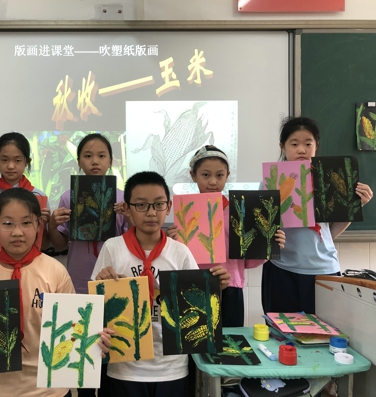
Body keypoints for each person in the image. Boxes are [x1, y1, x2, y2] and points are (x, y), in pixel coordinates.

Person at [0, 188, 112, 397]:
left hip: (49, 391)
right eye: (7, 223)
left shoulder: (56, 272)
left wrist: (91, 338)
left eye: (26, 223)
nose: (17, 232)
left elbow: (72, 330)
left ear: (39, 225)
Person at [92, 171, 230, 397]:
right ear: (127, 209)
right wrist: (101, 286)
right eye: (141, 205)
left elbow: (198, 309)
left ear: (169, 207)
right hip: (124, 366)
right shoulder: (113, 248)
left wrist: (214, 289)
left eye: (158, 204)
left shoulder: (180, 252)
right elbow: (94, 308)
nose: (151, 212)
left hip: (171, 367)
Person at [262, 117, 373, 314]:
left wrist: (355, 206)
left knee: (324, 329)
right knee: (282, 329)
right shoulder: (270, 182)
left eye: (308, 144)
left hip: (323, 269)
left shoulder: (329, 178)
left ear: (316, 146)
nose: (301, 150)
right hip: (282, 269)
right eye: (294, 144)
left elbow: (329, 233)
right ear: (282, 147)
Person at [168, 145, 286, 327]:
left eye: (219, 175)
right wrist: (171, 242)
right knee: (196, 338)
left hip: (231, 286)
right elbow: (177, 259)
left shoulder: (238, 211)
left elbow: (248, 260)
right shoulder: (185, 213)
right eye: (205, 175)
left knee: (231, 338)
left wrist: (268, 244)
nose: (212, 181)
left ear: (227, 175)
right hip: (194, 286)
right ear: (193, 175)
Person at [48, 133, 128, 397]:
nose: (95, 161)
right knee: (81, 353)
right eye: (88, 156)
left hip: (113, 283)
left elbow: (132, 243)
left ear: (111, 161)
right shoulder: (68, 197)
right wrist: (52, 224)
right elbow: (59, 244)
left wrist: (129, 216)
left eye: (102, 156)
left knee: (111, 350)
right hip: (79, 282)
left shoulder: (122, 199)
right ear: (79, 161)